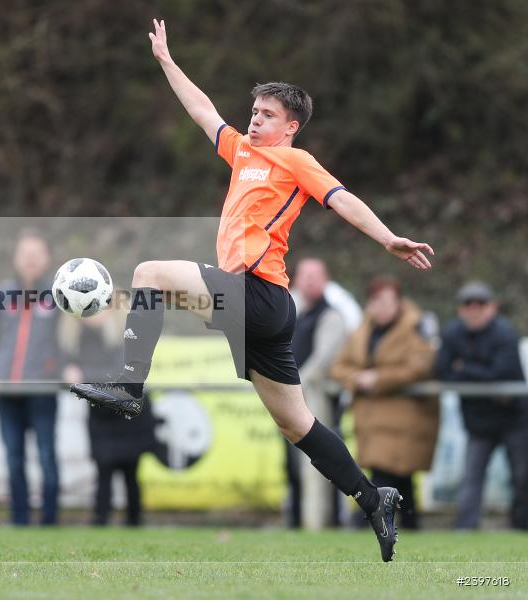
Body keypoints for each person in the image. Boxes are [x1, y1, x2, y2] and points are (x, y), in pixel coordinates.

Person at [72, 19, 434, 562]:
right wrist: (168, 61)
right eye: (255, 111)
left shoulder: (295, 161)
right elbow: (201, 111)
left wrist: (387, 239)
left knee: (149, 273)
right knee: (297, 424)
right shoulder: (242, 152)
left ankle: (129, 386)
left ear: (290, 126)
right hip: (257, 311)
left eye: (267, 114)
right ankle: (371, 497)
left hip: (260, 296)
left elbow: (342, 198)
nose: (255, 119)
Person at [331, 277, 438, 529]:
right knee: (399, 478)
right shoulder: (362, 332)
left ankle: (366, 521)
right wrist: (357, 378)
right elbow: (338, 367)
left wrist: (378, 379)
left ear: (398, 302)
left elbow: (420, 366)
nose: (382, 307)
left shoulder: (415, 328)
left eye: (387, 301)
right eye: (377, 301)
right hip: (372, 420)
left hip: (406, 418)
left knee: (387, 475)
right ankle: (409, 524)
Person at [434, 281, 528, 530]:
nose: (474, 310)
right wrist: (479, 373)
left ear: (493, 307)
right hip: (478, 420)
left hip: (514, 419)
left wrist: (463, 368)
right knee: (471, 479)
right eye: (468, 304)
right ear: (460, 309)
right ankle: (465, 529)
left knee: (522, 477)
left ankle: (521, 527)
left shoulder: (505, 333)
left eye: (480, 304)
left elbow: (503, 373)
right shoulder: (453, 333)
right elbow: (442, 370)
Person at [0, 231, 61, 526]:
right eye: (25, 254)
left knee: (46, 457)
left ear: (46, 260)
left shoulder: (58, 298)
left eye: (36, 254)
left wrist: (62, 370)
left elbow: (66, 341)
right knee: (14, 459)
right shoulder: (1, 295)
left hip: (43, 391)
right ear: (16, 259)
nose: (30, 260)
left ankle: (50, 521)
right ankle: (19, 521)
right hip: (6, 392)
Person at [62, 311, 156, 527]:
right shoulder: (76, 336)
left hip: (128, 414)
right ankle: (100, 520)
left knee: (131, 473)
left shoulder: (127, 337)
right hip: (101, 414)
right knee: (103, 471)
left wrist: (82, 376)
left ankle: (134, 522)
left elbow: (117, 375)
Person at [285, 258, 348, 529]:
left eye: (315, 275)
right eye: (305, 275)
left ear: (325, 280)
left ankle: (321, 524)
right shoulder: (295, 314)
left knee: (319, 467)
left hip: (316, 400)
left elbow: (321, 362)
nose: (309, 280)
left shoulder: (331, 316)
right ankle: (298, 522)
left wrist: (289, 384)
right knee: (293, 467)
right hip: (293, 398)